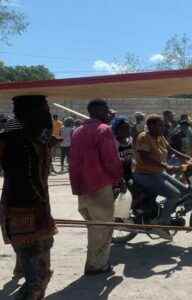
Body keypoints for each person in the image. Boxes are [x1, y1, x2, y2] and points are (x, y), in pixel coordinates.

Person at [0, 95, 57, 299]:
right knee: (32, 251)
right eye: (44, 110)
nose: (48, 115)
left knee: (41, 248)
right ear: (30, 114)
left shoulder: (37, 137)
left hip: (39, 203)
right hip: (21, 206)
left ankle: (31, 281)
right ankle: (32, 288)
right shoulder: (12, 140)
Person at [69, 99, 123, 275]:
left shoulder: (77, 131)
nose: (109, 114)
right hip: (99, 185)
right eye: (106, 111)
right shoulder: (104, 130)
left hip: (82, 186)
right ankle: (97, 266)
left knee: (93, 228)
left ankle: (93, 263)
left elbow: (74, 161)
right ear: (99, 111)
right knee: (103, 228)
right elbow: (110, 160)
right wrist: (118, 179)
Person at [133, 114, 190, 239]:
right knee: (174, 195)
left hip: (159, 173)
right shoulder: (144, 137)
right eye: (160, 125)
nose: (162, 127)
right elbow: (145, 157)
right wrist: (166, 166)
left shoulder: (160, 137)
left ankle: (166, 213)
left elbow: (171, 149)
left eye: (162, 125)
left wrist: (187, 158)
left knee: (186, 192)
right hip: (145, 174)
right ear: (150, 126)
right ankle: (159, 223)